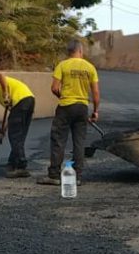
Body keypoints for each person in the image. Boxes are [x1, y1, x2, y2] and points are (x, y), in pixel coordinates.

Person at [37, 38, 99, 186]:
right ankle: (77, 177)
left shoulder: (62, 65)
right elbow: (95, 92)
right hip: (82, 107)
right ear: (80, 50)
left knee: (58, 140)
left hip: (65, 106)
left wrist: (62, 96)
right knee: (79, 142)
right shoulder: (90, 67)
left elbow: (54, 88)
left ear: (69, 52)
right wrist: (95, 111)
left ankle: (54, 176)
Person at [0, 74, 35, 178]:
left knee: (14, 136)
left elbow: (1, 76)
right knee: (19, 136)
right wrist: (3, 130)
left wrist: (6, 93)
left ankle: (21, 166)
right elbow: (12, 115)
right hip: (29, 101)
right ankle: (12, 163)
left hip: (21, 101)